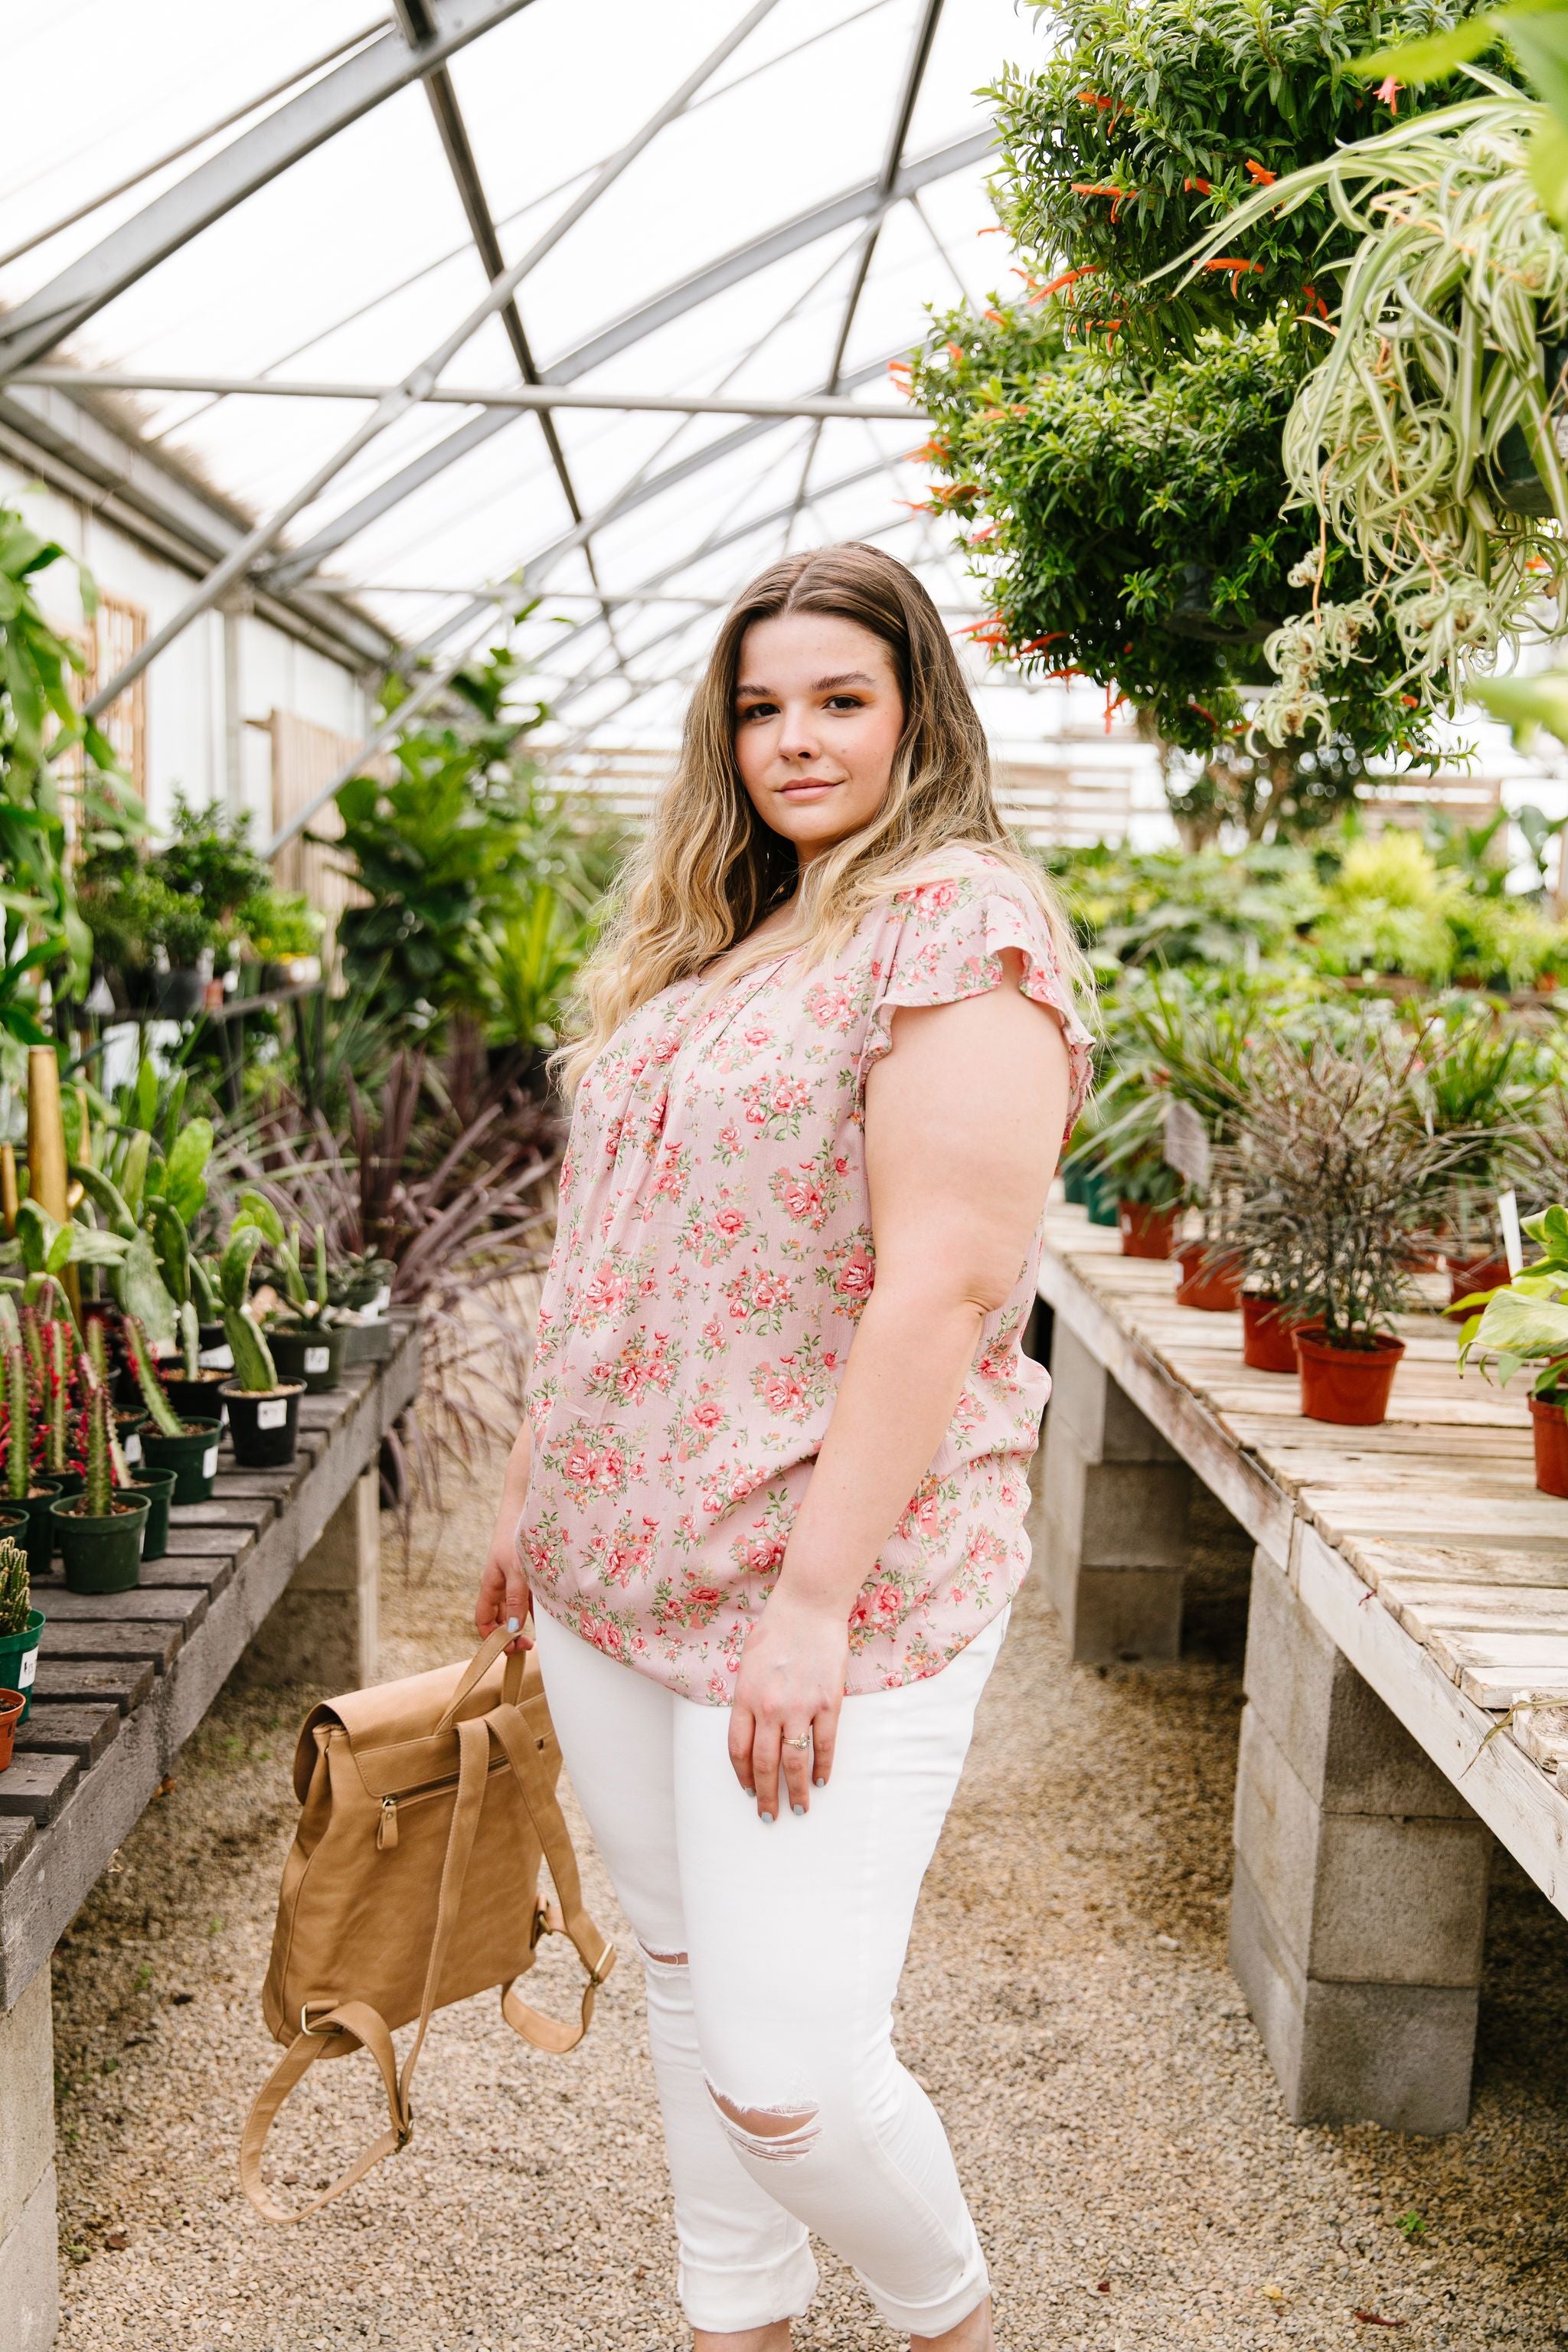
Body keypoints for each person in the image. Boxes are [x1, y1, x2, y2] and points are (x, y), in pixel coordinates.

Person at [477, 543, 1092, 2352]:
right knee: (680, 1988)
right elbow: (615, 1252)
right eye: (760, 708)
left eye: (840, 700)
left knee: (788, 2074)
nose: (795, 741)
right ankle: (728, 2320)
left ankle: (946, 2318)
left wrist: (810, 1607)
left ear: (917, 711)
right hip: (615, 1567)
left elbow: (943, 1289)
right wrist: (535, 1487)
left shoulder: (954, 920)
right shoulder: (732, 929)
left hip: (825, 1585)